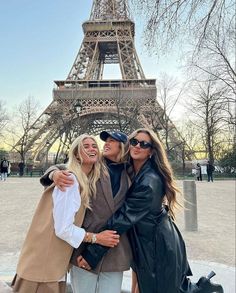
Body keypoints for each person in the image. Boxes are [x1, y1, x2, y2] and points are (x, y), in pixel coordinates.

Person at [78, 129, 224, 293]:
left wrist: (93, 253)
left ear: (151, 151)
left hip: (157, 245)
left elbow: (124, 217)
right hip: (146, 241)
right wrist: (54, 173)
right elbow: (78, 166)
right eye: (134, 142)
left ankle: (204, 288)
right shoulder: (131, 169)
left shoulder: (149, 181)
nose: (137, 146)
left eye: (144, 144)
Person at [11, 134, 119, 293]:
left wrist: (53, 172)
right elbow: (63, 229)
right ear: (76, 154)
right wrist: (97, 238)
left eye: (94, 146)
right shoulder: (70, 181)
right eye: (85, 146)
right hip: (45, 264)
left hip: (48, 262)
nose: (91, 148)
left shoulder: (83, 178)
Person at [40, 130, 132, 293]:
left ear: (123, 147)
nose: (106, 144)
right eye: (106, 141)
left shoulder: (131, 172)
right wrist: (54, 174)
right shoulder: (93, 163)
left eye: (112, 140)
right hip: (84, 247)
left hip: (114, 249)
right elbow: (66, 167)